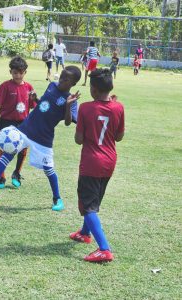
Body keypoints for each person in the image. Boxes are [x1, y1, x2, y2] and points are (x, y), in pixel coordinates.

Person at [0, 66, 82, 210]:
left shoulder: (71, 100)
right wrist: (36, 99)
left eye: (66, 79)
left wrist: (68, 105)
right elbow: (44, 106)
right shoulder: (52, 85)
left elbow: (69, 122)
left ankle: (57, 199)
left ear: (73, 84)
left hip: (44, 137)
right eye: (62, 76)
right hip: (26, 128)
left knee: (48, 169)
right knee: (6, 156)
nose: (62, 80)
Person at [69, 68, 125, 263]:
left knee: (87, 206)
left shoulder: (85, 108)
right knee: (93, 200)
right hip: (109, 161)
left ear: (93, 89)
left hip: (91, 162)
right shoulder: (119, 107)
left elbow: (79, 139)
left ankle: (104, 249)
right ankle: (85, 233)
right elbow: (119, 136)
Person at [0, 56, 37, 189]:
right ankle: (1, 177)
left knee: (23, 149)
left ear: (25, 72)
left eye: (20, 72)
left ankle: (17, 173)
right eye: (15, 72)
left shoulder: (29, 87)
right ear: (10, 72)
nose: (17, 75)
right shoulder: (5, 86)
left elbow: (34, 105)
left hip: (23, 123)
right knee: (4, 149)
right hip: (6, 122)